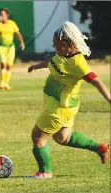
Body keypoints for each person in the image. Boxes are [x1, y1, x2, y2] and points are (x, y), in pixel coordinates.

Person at [27, 21, 110, 178]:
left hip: (60, 108)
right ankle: (100, 148)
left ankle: (44, 172)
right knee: (62, 138)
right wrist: (36, 66)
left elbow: (96, 80)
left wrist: (109, 98)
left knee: (37, 137)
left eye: (56, 44)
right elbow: (52, 63)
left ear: (67, 43)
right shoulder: (62, 54)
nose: (54, 46)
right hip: (64, 105)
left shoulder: (78, 62)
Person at [0, 8, 25, 90]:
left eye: (2, 14)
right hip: (0, 46)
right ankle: (2, 83)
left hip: (10, 46)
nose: (1, 16)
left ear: (6, 15)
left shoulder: (12, 23)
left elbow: (18, 33)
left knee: (9, 65)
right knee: (3, 63)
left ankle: (6, 83)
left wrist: (21, 42)